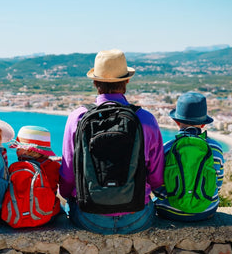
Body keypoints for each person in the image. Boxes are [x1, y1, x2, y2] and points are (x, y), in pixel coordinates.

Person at [59, 49, 164, 234]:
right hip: (137, 216)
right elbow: (156, 178)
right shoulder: (146, 119)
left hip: (89, 217)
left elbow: (68, 174)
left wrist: (71, 197)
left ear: (94, 82)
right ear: (127, 81)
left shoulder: (77, 118)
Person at [154, 91, 224, 222]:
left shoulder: (167, 148)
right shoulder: (216, 148)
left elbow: (157, 184)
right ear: (203, 124)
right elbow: (217, 183)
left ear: (176, 121)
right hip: (207, 209)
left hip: (170, 211)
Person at [1, 126, 61, 228]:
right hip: (46, 217)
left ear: (26, 151)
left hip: (15, 216)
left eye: (18, 148)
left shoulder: (15, 167)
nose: (16, 151)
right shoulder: (54, 166)